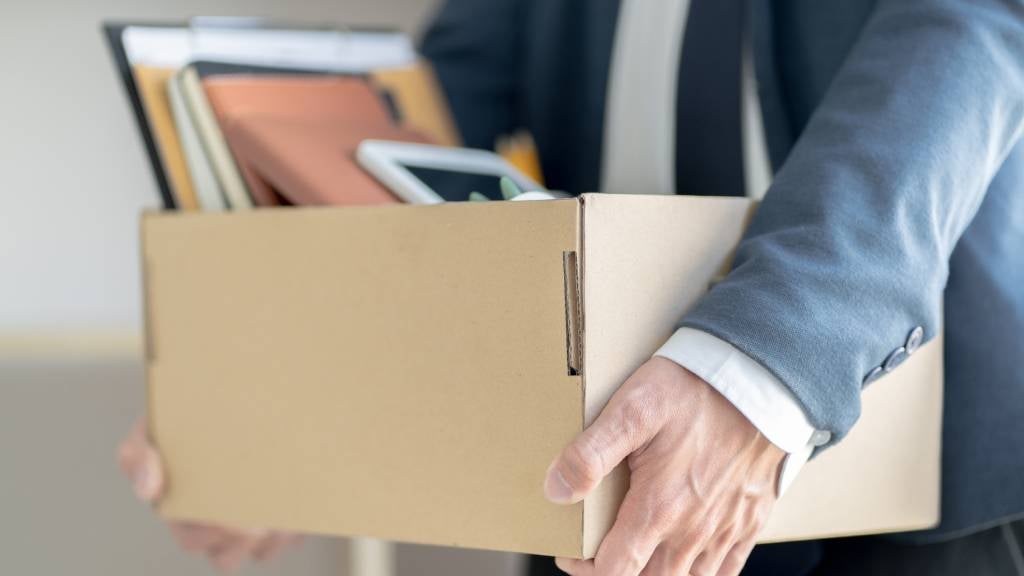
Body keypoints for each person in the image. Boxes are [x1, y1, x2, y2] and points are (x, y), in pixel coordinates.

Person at [120, 0, 1024, 574]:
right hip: (591, 468)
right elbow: (429, 126)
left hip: (919, 477)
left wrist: (772, 363)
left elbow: (971, 25)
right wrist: (275, 393)